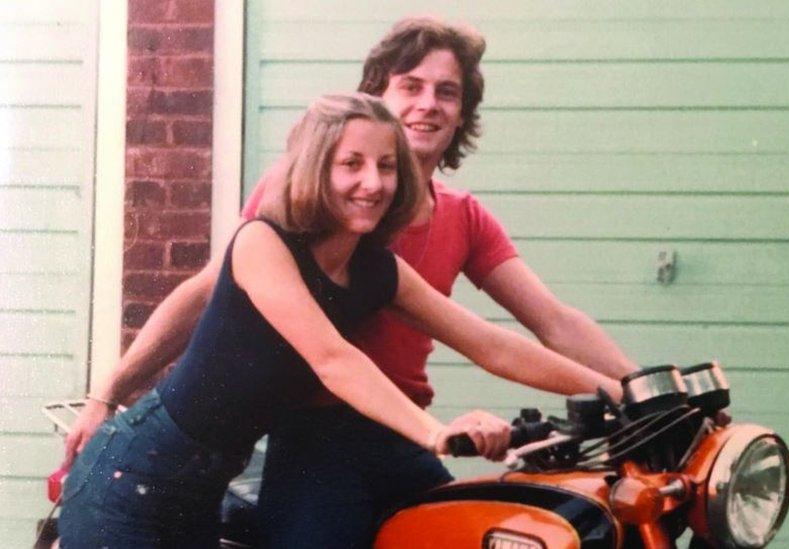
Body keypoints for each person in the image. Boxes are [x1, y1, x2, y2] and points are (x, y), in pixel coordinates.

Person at [62, 16, 640, 547]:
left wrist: (629, 390)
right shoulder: (274, 232)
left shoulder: (385, 260)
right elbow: (322, 352)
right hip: (185, 464)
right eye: (410, 86)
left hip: (284, 467)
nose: (372, 182)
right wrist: (106, 392)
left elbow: (500, 340)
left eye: (447, 92)